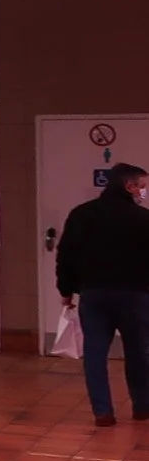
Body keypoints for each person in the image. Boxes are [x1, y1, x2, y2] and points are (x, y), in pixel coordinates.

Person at [56, 161, 149, 427]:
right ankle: (142, 407)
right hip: (135, 296)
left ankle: (103, 412)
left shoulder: (81, 214)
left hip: (93, 295)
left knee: (95, 355)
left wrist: (66, 290)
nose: (143, 192)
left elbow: (66, 256)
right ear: (129, 186)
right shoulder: (143, 219)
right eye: (142, 186)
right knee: (139, 353)